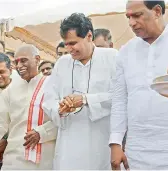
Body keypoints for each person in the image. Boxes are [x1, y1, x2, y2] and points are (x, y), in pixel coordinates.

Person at [109, 0, 168, 170]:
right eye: (128, 17)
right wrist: (115, 142)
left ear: (157, 11)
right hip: (137, 150)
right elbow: (119, 100)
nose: (131, 23)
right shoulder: (125, 51)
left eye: (137, 15)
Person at [42, 13, 117, 170]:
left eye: (73, 43)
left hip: (101, 143)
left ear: (89, 36)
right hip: (69, 145)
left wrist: (85, 100)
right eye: (66, 44)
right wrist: (60, 108)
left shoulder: (112, 58)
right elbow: (48, 100)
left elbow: (121, 97)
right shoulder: (62, 64)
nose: (69, 49)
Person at [0, 44, 57, 170]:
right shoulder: (11, 90)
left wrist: (42, 132)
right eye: (16, 62)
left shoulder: (53, 85)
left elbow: (63, 120)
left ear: (37, 59)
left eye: (23, 60)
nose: (19, 66)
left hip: (45, 158)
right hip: (14, 159)